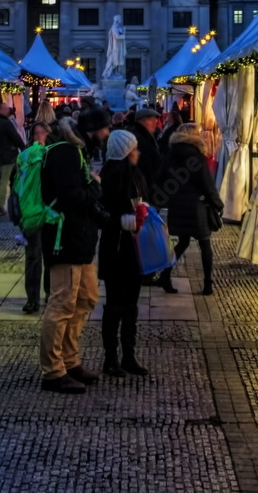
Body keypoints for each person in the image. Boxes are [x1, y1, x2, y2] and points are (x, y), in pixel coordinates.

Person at [39, 107, 111, 394]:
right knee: (61, 305)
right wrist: (96, 187)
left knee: (86, 299)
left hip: (80, 239)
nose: (107, 134)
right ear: (94, 128)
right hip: (64, 240)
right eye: (105, 129)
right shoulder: (66, 153)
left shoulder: (77, 151)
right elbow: (72, 197)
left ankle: (70, 360)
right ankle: (53, 371)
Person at [98, 130, 148, 377]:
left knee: (131, 305)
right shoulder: (112, 176)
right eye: (134, 149)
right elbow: (103, 215)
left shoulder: (135, 174)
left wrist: (144, 211)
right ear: (125, 152)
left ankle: (129, 355)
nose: (137, 152)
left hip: (134, 247)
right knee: (116, 305)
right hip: (117, 247)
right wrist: (126, 220)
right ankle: (110, 358)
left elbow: (142, 200)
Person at [156, 125, 223, 296]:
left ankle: (165, 274)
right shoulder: (196, 156)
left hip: (177, 205)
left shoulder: (170, 155)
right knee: (204, 243)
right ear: (193, 136)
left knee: (182, 242)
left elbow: (159, 179)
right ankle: (208, 283)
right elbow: (207, 184)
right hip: (196, 207)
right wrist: (217, 204)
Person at [14, 121, 52, 314]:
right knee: (33, 257)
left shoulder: (52, 155)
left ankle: (50, 294)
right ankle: (33, 298)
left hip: (50, 212)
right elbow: (16, 184)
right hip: (31, 212)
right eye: (36, 133)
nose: (39, 136)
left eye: (42, 132)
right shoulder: (25, 157)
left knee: (51, 258)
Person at [0, 102, 26, 216]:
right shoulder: (6, 123)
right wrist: (24, 148)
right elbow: (16, 138)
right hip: (7, 156)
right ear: (1, 110)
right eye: (7, 109)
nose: (9, 110)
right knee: (3, 181)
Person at [131, 107, 161, 193]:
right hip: (145, 185)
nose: (155, 124)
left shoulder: (148, 136)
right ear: (143, 120)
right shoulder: (137, 138)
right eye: (152, 121)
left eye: (155, 122)